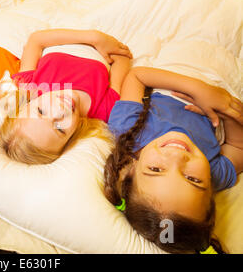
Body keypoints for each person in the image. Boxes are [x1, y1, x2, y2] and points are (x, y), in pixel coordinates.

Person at [103, 66, 243, 254]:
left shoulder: (127, 129)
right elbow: (238, 147)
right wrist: (227, 111)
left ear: (131, 170)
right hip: (221, 83)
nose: (177, 157)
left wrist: (199, 88)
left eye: (155, 169)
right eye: (192, 179)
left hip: (172, 72)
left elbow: (137, 76)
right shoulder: (215, 172)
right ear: (211, 190)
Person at [0, 29, 133, 164]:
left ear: (26, 104)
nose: (60, 110)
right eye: (59, 128)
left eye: (41, 111)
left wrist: (95, 38)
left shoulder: (28, 86)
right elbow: (122, 58)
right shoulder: (104, 109)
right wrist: (108, 48)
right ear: (70, 140)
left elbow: (36, 40)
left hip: (70, 29)